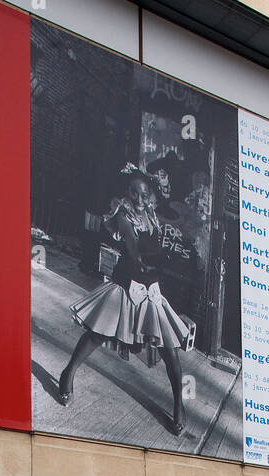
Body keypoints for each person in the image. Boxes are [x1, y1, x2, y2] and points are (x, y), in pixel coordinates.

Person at [57, 172, 191, 436]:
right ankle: (68, 374)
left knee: (169, 349)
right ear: (127, 193)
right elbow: (134, 249)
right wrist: (157, 260)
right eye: (134, 193)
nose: (139, 200)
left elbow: (158, 248)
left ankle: (178, 405)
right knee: (97, 334)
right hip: (126, 285)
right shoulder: (122, 215)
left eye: (144, 194)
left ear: (150, 194)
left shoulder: (152, 215)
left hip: (151, 289)